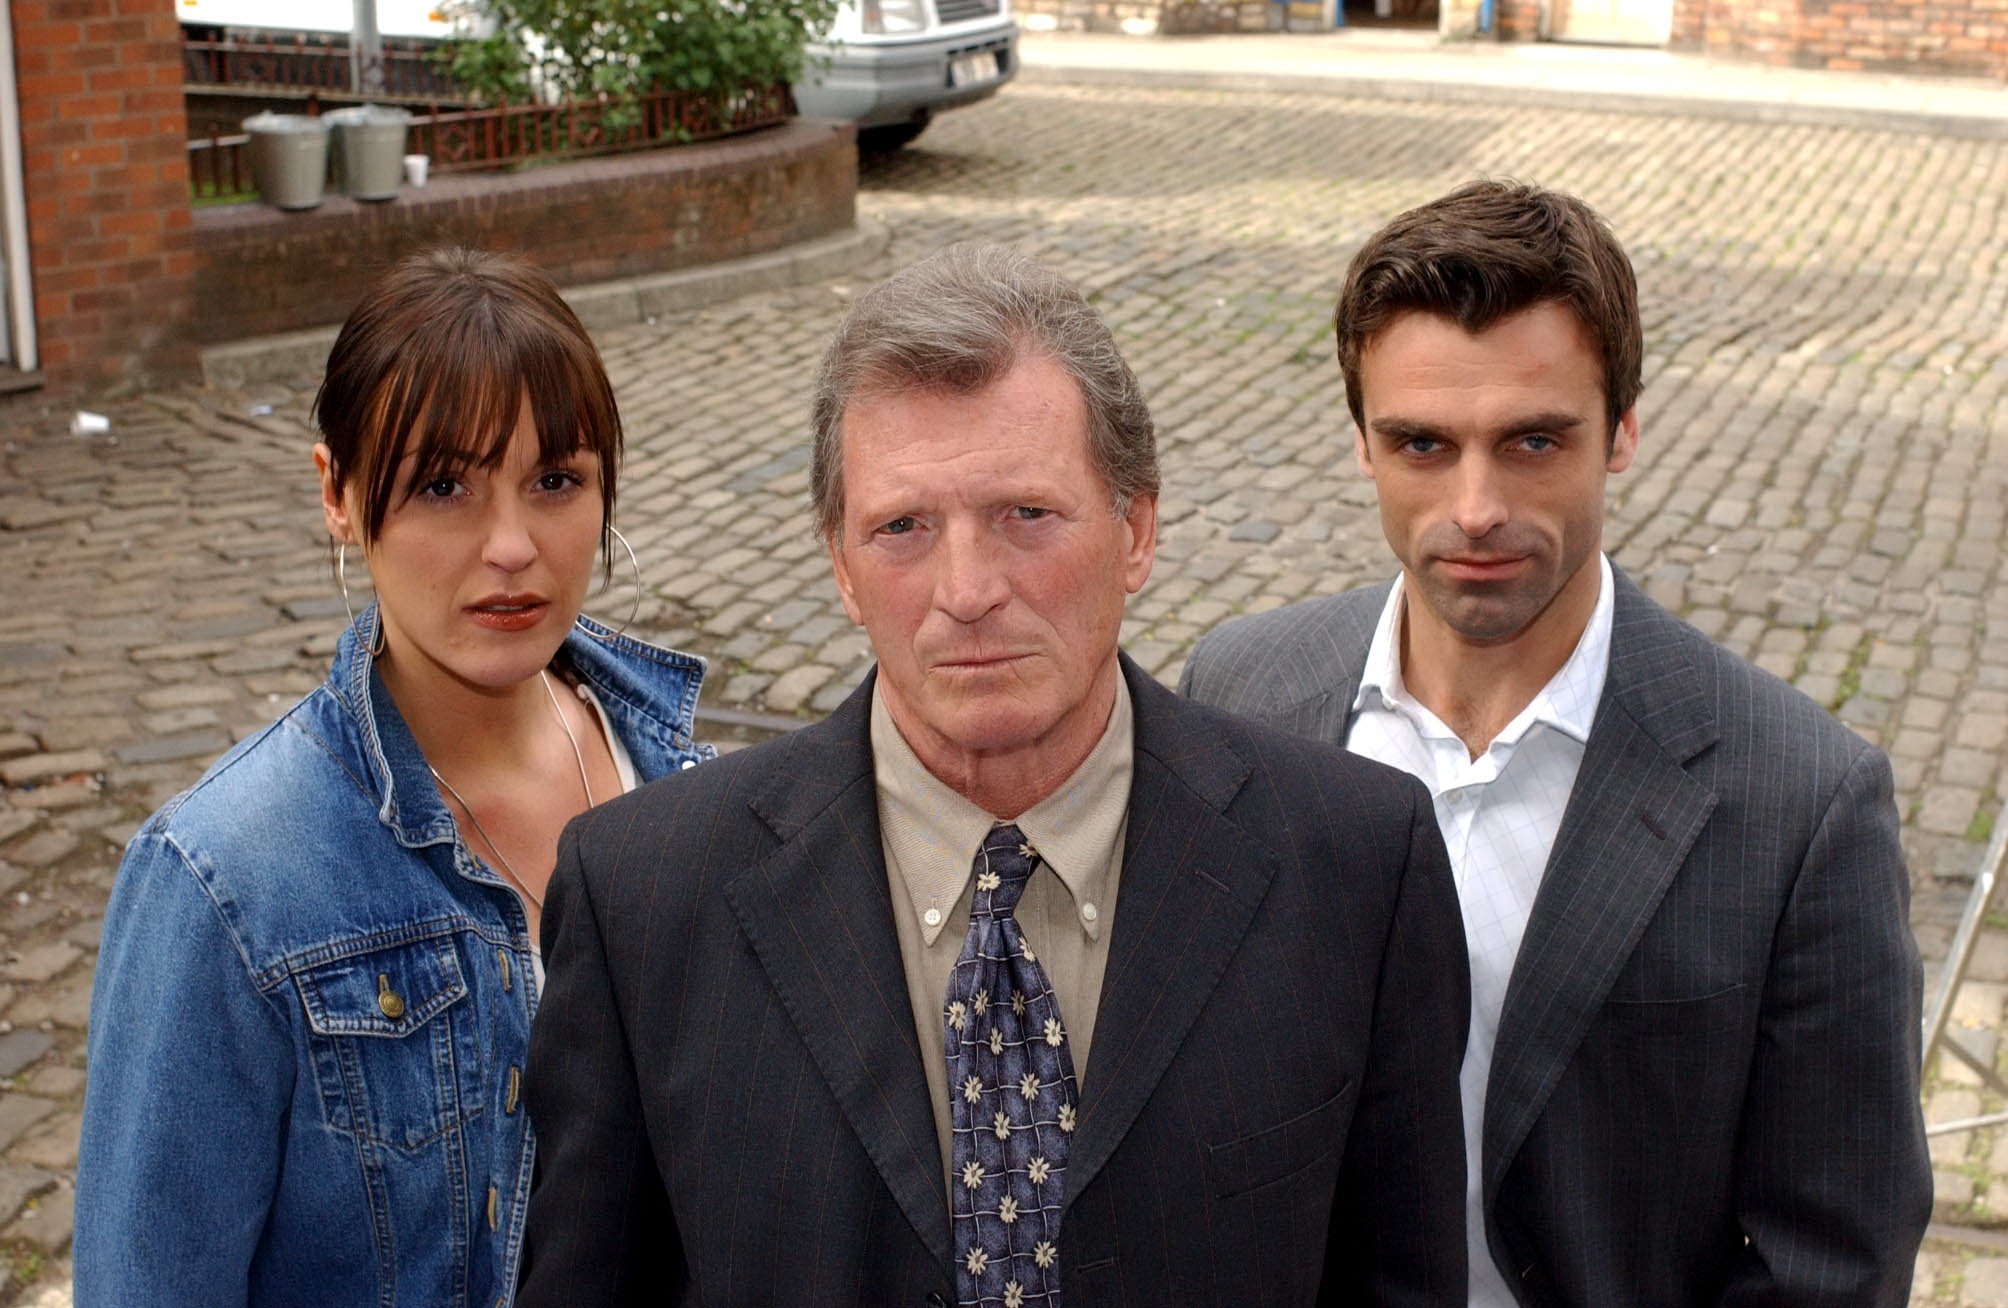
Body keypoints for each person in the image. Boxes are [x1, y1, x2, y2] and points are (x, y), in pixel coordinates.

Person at [518, 242, 1470, 1306]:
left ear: (1136, 529)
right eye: (901, 529)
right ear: (837, 564)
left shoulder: (1354, 866)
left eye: (1025, 514)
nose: (965, 589)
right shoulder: (646, 900)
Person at [1179, 179, 1932, 1307]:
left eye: (1532, 439)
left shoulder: (1801, 801)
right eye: (1421, 444)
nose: (1475, 506)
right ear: (1360, 444)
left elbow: (1830, 1261)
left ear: (1621, 430)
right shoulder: (1237, 694)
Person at [74, 246, 712, 1305]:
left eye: (556, 480)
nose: (511, 546)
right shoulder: (227, 882)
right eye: (442, 485)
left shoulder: (681, 784)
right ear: (337, 492)